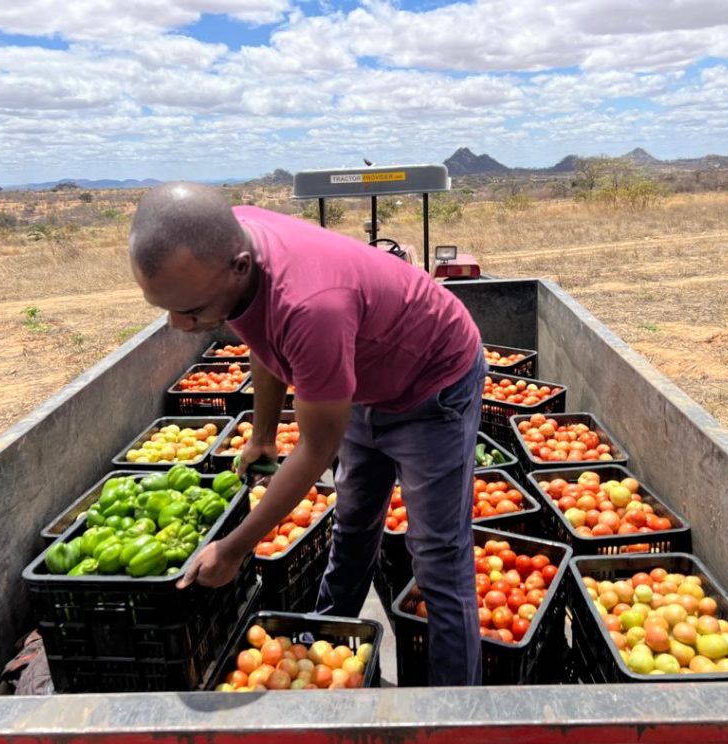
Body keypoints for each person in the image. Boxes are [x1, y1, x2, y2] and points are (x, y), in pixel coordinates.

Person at [128, 181, 485, 685]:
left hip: (433, 384)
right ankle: (325, 646)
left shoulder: (313, 308)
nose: (179, 324)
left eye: (191, 311)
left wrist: (235, 548)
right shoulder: (231, 246)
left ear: (240, 266)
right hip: (362, 377)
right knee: (353, 521)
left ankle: (459, 710)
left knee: (438, 557)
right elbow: (262, 331)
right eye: (165, 307)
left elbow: (317, 449)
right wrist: (263, 434)